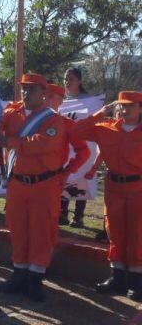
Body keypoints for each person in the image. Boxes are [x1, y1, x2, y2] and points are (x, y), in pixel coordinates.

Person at [0, 74, 70, 302]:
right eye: (24, 89)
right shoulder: (12, 115)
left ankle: (35, 278)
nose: (26, 93)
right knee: (18, 229)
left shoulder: (53, 119)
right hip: (18, 183)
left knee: (40, 231)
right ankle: (19, 272)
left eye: (32, 90)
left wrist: (12, 142)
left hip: (43, 184)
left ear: (44, 93)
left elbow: (44, 143)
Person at [72, 91, 142, 300]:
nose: (124, 109)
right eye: (121, 105)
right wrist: (100, 113)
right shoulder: (107, 128)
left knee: (138, 233)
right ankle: (117, 277)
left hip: (138, 187)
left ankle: (137, 281)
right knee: (114, 231)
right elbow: (76, 130)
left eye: (129, 105)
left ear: (140, 108)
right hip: (114, 187)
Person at [60, 67, 92, 227]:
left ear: (80, 81)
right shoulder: (62, 101)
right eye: (65, 79)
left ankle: (78, 217)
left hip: (85, 146)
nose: (67, 82)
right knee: (65, 176)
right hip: (66, 146)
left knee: (81, 179)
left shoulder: (90, 101)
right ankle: (62, 213)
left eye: (71, 79)